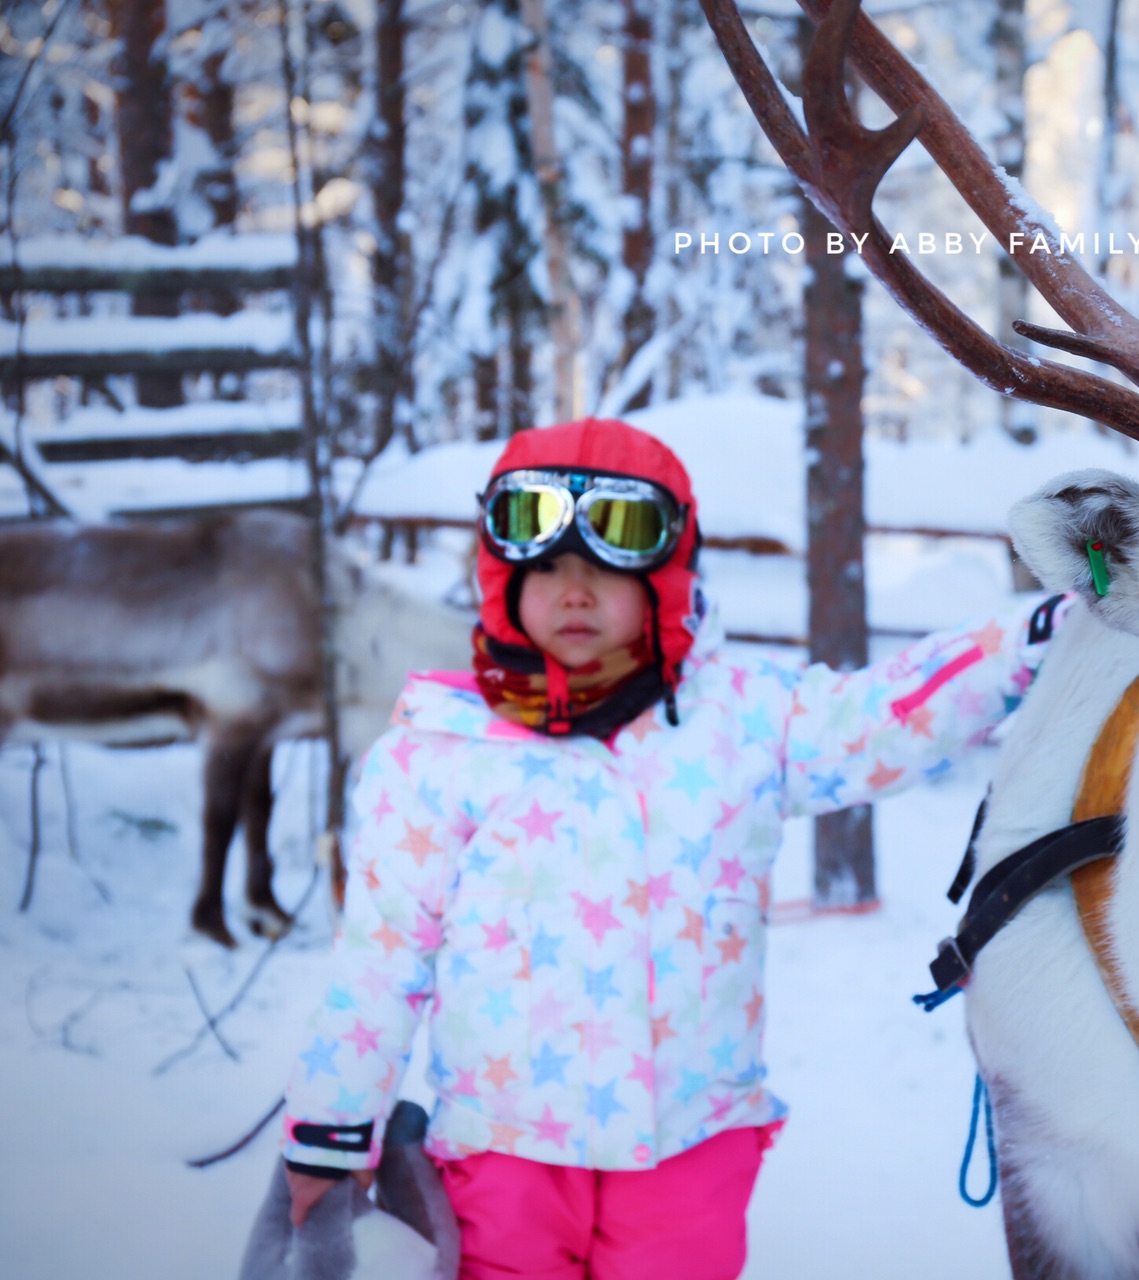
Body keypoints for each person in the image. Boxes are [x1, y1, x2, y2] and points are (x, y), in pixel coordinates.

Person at [277, 418, 1074, 1279]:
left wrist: (1033, 637)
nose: (572, 591)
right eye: (544, 567)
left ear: (664, 576)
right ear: (501, 576)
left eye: (604, 567)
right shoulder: (437, 748)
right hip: (503, 1152)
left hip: (688, 1150)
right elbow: (378, 961)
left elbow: (883, 715)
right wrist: (330, 1134)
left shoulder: (738, 721)